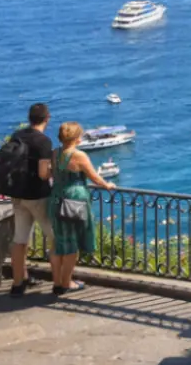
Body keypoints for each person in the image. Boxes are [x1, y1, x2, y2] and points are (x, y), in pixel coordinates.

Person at [48, 122, 115, 295]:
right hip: (73, 200)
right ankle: (66, 283)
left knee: (58, 241)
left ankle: (57, 282)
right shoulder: (79, 156)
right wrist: (107, 185)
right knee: (72, 243)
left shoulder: (55, 153)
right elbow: (94, 177)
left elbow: (51, 173)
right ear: (77, 138)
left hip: (56, 198)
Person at [9, 103, 58, 296]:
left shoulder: (17, 135)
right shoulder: (43, 142)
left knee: (19, 240)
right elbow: (43, 173)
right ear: (47, 118)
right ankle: (60, 282)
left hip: (18, 194)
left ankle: (18, 282)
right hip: (38, 195)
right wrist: (56, 171)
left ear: (30, 118)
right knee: (56, 238)